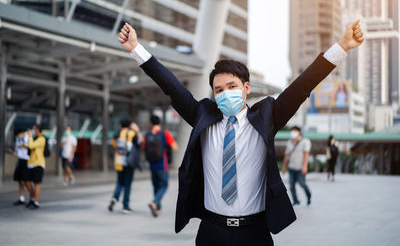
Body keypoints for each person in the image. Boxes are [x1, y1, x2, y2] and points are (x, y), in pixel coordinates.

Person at [118, 19, 364, 245]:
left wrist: (342, 46)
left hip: (254, 232)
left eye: (232, 86)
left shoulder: (268, 116)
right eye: (219, 90)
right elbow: (171, 86)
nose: (225, 93)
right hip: (212, 231)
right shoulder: (202, 116)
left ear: (246, 88)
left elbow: (302, 86)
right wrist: (136, 49)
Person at [144, 115, 178, 217]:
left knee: (156, 185)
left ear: (150, 123)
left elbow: (143, 146)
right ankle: (155, 202)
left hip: (152, 164)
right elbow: (175, 147)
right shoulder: (165, 133)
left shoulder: (147, 135)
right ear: (159, 123)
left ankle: (157, 208)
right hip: (162, 164)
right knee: (164, 185)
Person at [108, 117, 142, 213]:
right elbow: (140, 142)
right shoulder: (132, 134)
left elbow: (114, 145)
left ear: (121, 124)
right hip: (129, 162)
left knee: (119, 182)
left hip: (118, 161)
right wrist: (137, 131)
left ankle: (115, 197)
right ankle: (125, 205)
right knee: (127, 184)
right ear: (130, 125)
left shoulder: (116, 133)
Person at [282, 126, 312, 206]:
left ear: (299, 132)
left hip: (300, 168)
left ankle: (309, 195)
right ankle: (295, 200)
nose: (293, 133)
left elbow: (306, 155)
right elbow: (287, 155)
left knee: (302, 184)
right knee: (291, 186)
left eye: (295, 131)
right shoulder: (289, 142)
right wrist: (284, 167)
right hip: (291, 168)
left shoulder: (305, 141)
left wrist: (305, 166)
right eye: (292, 131)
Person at [26, 124, 46, 209]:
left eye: (34, 129)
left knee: (36, 183)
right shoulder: (35, 138)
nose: (33, 131)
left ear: (38, 130)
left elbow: (31, 146)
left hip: (38, 163)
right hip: (31, 163)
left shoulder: (42, 139)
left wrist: (30, 137)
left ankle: (36, 202)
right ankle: (32, 197)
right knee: (27, 182)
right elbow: (29, 145)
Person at [12, 129, 30, 205]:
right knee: (20, 181)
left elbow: (29, 147)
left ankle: (33, 197)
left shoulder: (28, 139)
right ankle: (21, 198)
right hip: (20, 160)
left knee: (26, 181)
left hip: (26, 161)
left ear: (22, 133)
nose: (18, 136)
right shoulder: (18, 140)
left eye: (19, 134)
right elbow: (17, 150)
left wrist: (22, 141)